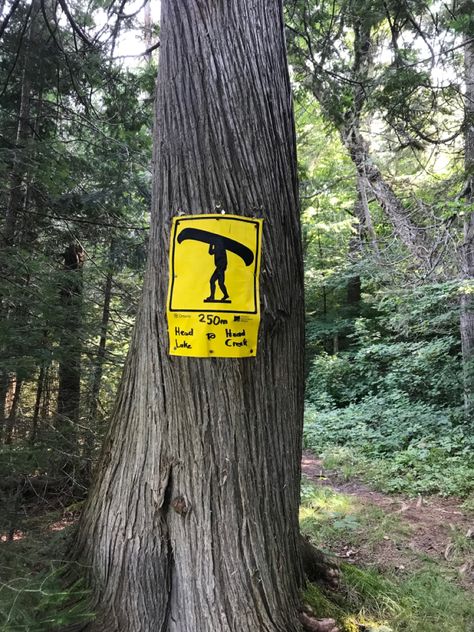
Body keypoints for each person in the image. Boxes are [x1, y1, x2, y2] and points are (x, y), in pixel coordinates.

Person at [204, 237, 230, 302]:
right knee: (215, 282)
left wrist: (222, 268)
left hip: (220, 268)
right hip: (219, 268)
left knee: (218, 282)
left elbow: (225, 260)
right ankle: (215, 296)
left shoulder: (220, 248)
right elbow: (210, 252)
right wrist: (211, 244)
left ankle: (215, 296)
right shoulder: (218, 247)